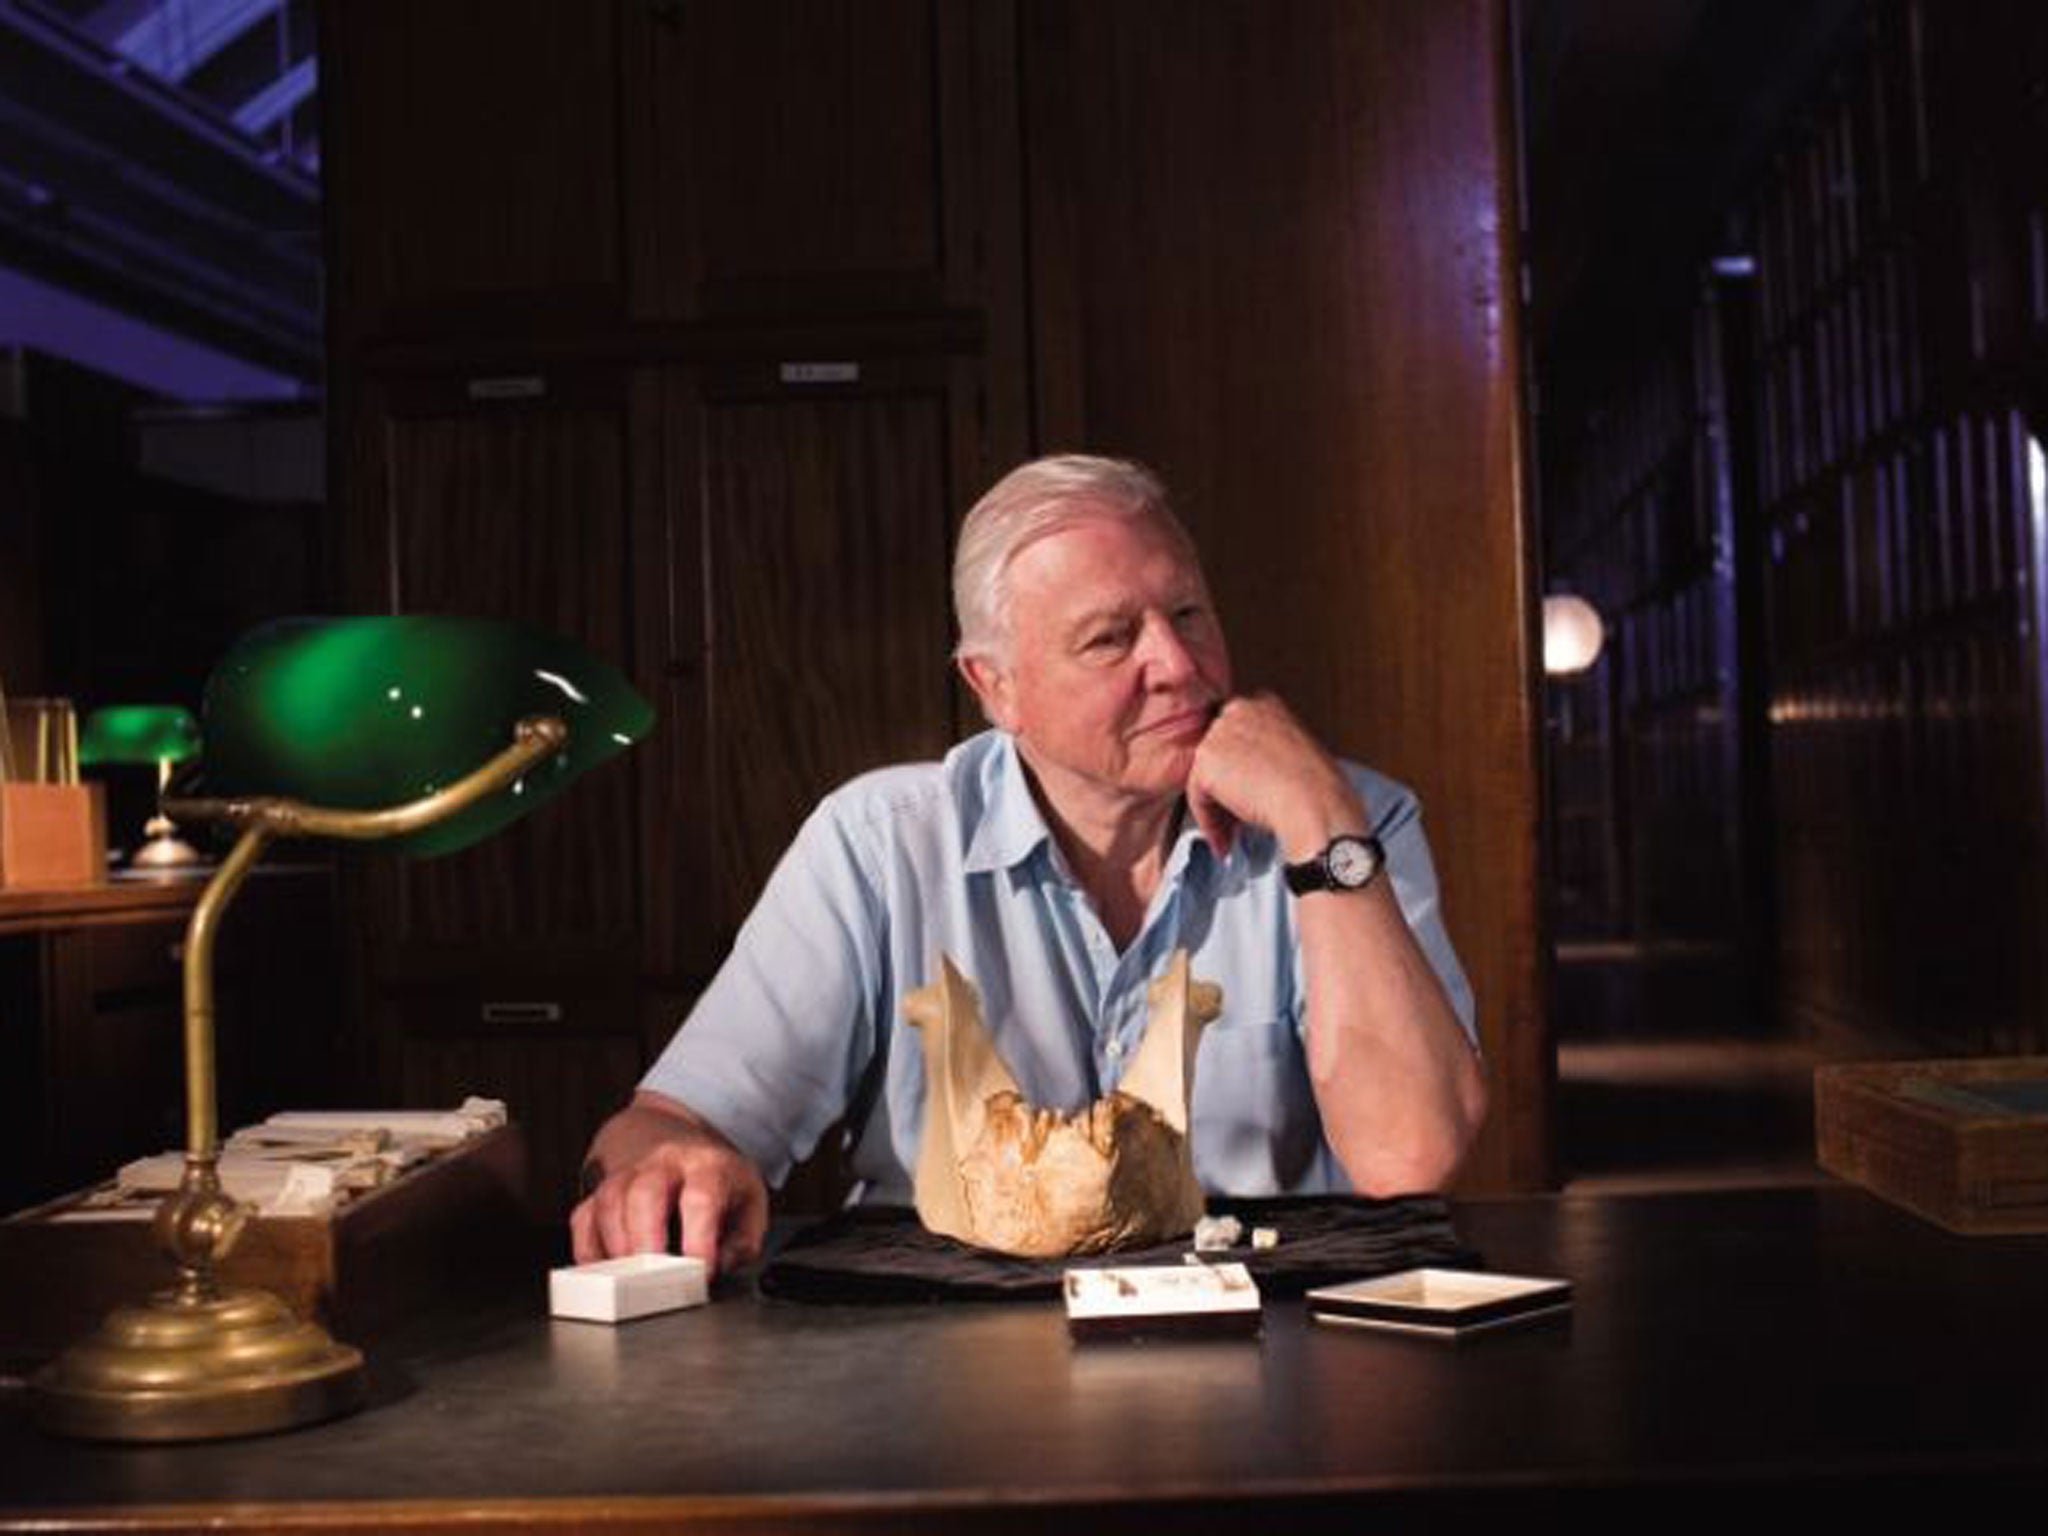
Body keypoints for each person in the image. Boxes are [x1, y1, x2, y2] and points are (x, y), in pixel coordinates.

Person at [571, 454, 1486, 1270]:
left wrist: (1321, 821)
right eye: (1111, 638)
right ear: (994, 685)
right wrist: (663, 1164)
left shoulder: (1346, 823)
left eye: (1188, 614)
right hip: (935, 1378)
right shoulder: (881, 844)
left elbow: (1414, 1157)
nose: (1177, 664)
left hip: (1258, 1368)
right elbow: (673, 1124)